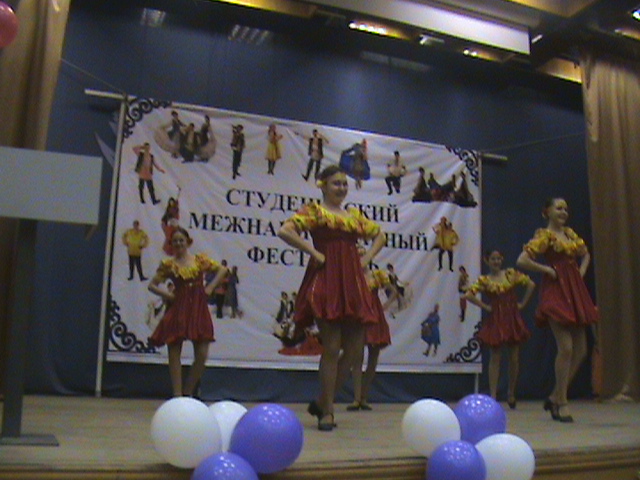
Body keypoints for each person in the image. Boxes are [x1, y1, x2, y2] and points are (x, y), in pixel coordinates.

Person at [277, 165, 386, 431]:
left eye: (344, 184)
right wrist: (314, 253)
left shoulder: (353, 216)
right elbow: (285, 230)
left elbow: (380, 235)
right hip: (327, 281)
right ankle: (327, 411)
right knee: (332, 347)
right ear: (323, 186)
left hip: (353, 283)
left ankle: (322, 401)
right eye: (336, 183)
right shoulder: (315, 211)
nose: (341, 188)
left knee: (354, 350)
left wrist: (366, 259)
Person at [516, 197, 599, 422]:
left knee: (580, 350)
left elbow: (585, 254)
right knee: (566, 347)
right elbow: (522, 260)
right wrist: (547, 270)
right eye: (559, 208)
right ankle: (562, 401)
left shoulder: (570, 234)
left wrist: (581, 272)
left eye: (566, 209)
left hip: (574, 290)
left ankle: (555, 395)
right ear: (547, 211)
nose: (563, 212)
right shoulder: (545, 236)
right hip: (555, 291)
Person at [148, 227, 228, 397]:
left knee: (202, 353)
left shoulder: (199, 260)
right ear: (171, 244)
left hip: (198, 307)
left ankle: (188, 392)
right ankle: (177, 395)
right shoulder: (169, 265)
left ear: (188, 242)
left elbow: (222, 270)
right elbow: (152, 285)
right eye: (175, 241)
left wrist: (210, 287)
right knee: (174, 350)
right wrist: (169, 296)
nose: (178, 243)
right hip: (179, 307)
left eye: (181, 240)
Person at [465, 250, 535, 408]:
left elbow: (531, 284)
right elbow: (469, 295)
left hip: (511, 318)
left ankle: (511, 392)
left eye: (498, 259)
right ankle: (493, 395)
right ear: (487, 261)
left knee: (514, 357)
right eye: (493, 259)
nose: (496, 262)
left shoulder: (510, 274)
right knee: (495, 357)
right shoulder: (485, 280)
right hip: (496, 318)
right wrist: (485, 307)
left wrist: (522, 303)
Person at [346, 248, 397, 411]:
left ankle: (364, 397)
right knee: (357, 357)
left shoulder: (377, 275)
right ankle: (356, 398)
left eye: (363, 255)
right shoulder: (351, 277)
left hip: (375, 317)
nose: (361, 258)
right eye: (358, 255)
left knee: (373, 357)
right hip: (358, 318)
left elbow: (394, 292)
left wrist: (384, 306)